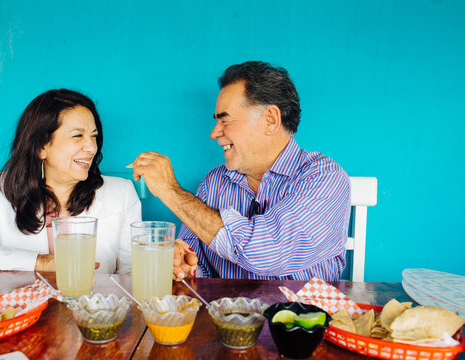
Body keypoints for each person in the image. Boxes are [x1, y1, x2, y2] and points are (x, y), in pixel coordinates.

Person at [133, 61, 350, 281]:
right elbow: (193, 264)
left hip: (303, 312)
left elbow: (266, 253)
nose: (214, 133)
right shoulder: (214, 182)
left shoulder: (325, 178)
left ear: (270, 120)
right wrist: (182, 265)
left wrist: (171, 191)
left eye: (224, 119)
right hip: (226, 313)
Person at [0, 89, 141, 273]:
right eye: (78, 136)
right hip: (28, 314)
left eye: (94, 137)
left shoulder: (121, 193)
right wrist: (40, 262)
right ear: (42, 147)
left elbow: (133, 275)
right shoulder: (0, 190)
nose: (91, 148)